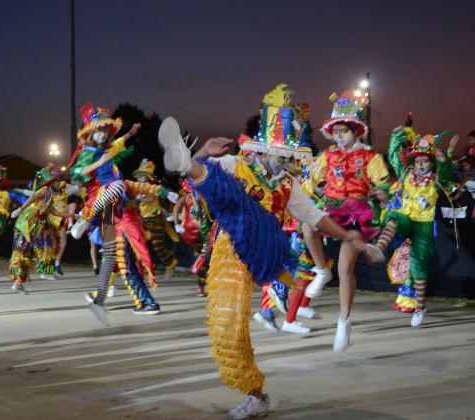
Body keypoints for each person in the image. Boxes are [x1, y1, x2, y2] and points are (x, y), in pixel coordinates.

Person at [159, 83, 383, 419]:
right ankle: (255, 394)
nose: (280, 160)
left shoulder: (287, 187)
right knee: (228, 326)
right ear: (260, 149)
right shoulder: (238, 164)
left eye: (285, 156)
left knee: (233, 322)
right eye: (274, 153)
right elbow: (210, 176)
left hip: (260, 249)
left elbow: (316, 216)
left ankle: (256, 391)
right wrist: (203, 153)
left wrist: (349, 238)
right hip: (230, 246)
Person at [307, 89, 391, 351]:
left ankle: (344, 320)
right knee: (308, 223)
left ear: (355, 131)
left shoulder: (370, 157)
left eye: (344, 130)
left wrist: (381, 192)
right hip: (331, 209)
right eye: (336, 130)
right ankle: (322, 270)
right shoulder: (328, 156)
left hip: (357, 213)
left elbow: (385, 183)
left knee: (345, 269)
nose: (339, 135)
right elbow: (310, 180)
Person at [70, 102, 168, 325]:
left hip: (115, 212)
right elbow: (76, 174)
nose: (104, 134)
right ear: (91, 133)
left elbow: (115, 146)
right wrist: (98, 164)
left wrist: (130, 134)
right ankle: (83, 221)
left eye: (106, 130)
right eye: (100, 130)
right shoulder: (89, 153)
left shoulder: (104, 153)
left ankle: (104, 301)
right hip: (105, 208)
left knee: (115, 259)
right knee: (121, 260)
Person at [373, 125, 458, 326]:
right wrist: (396, 135)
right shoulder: (406, 174)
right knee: (393, 216)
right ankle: (378, 248)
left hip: (424, 225)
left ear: (430, 163)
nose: (420, 164)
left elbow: (446, 170)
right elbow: (394, 156)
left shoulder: (437, 180)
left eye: (424, 160)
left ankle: (419, 308)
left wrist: (442, 156)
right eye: (417, 160)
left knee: (419, 265)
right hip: (406, 218)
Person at [133, 159, 180, 279]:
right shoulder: (138, 187)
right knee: (138, 245)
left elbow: (148, 198)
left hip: (154, 218)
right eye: (139, 176)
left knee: (158, 245)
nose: (140, 178)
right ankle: (143, 270)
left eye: (142, 176)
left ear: (147, 177)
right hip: (143, 219)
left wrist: (137, 197)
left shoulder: (152, 187)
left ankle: (170, 264)